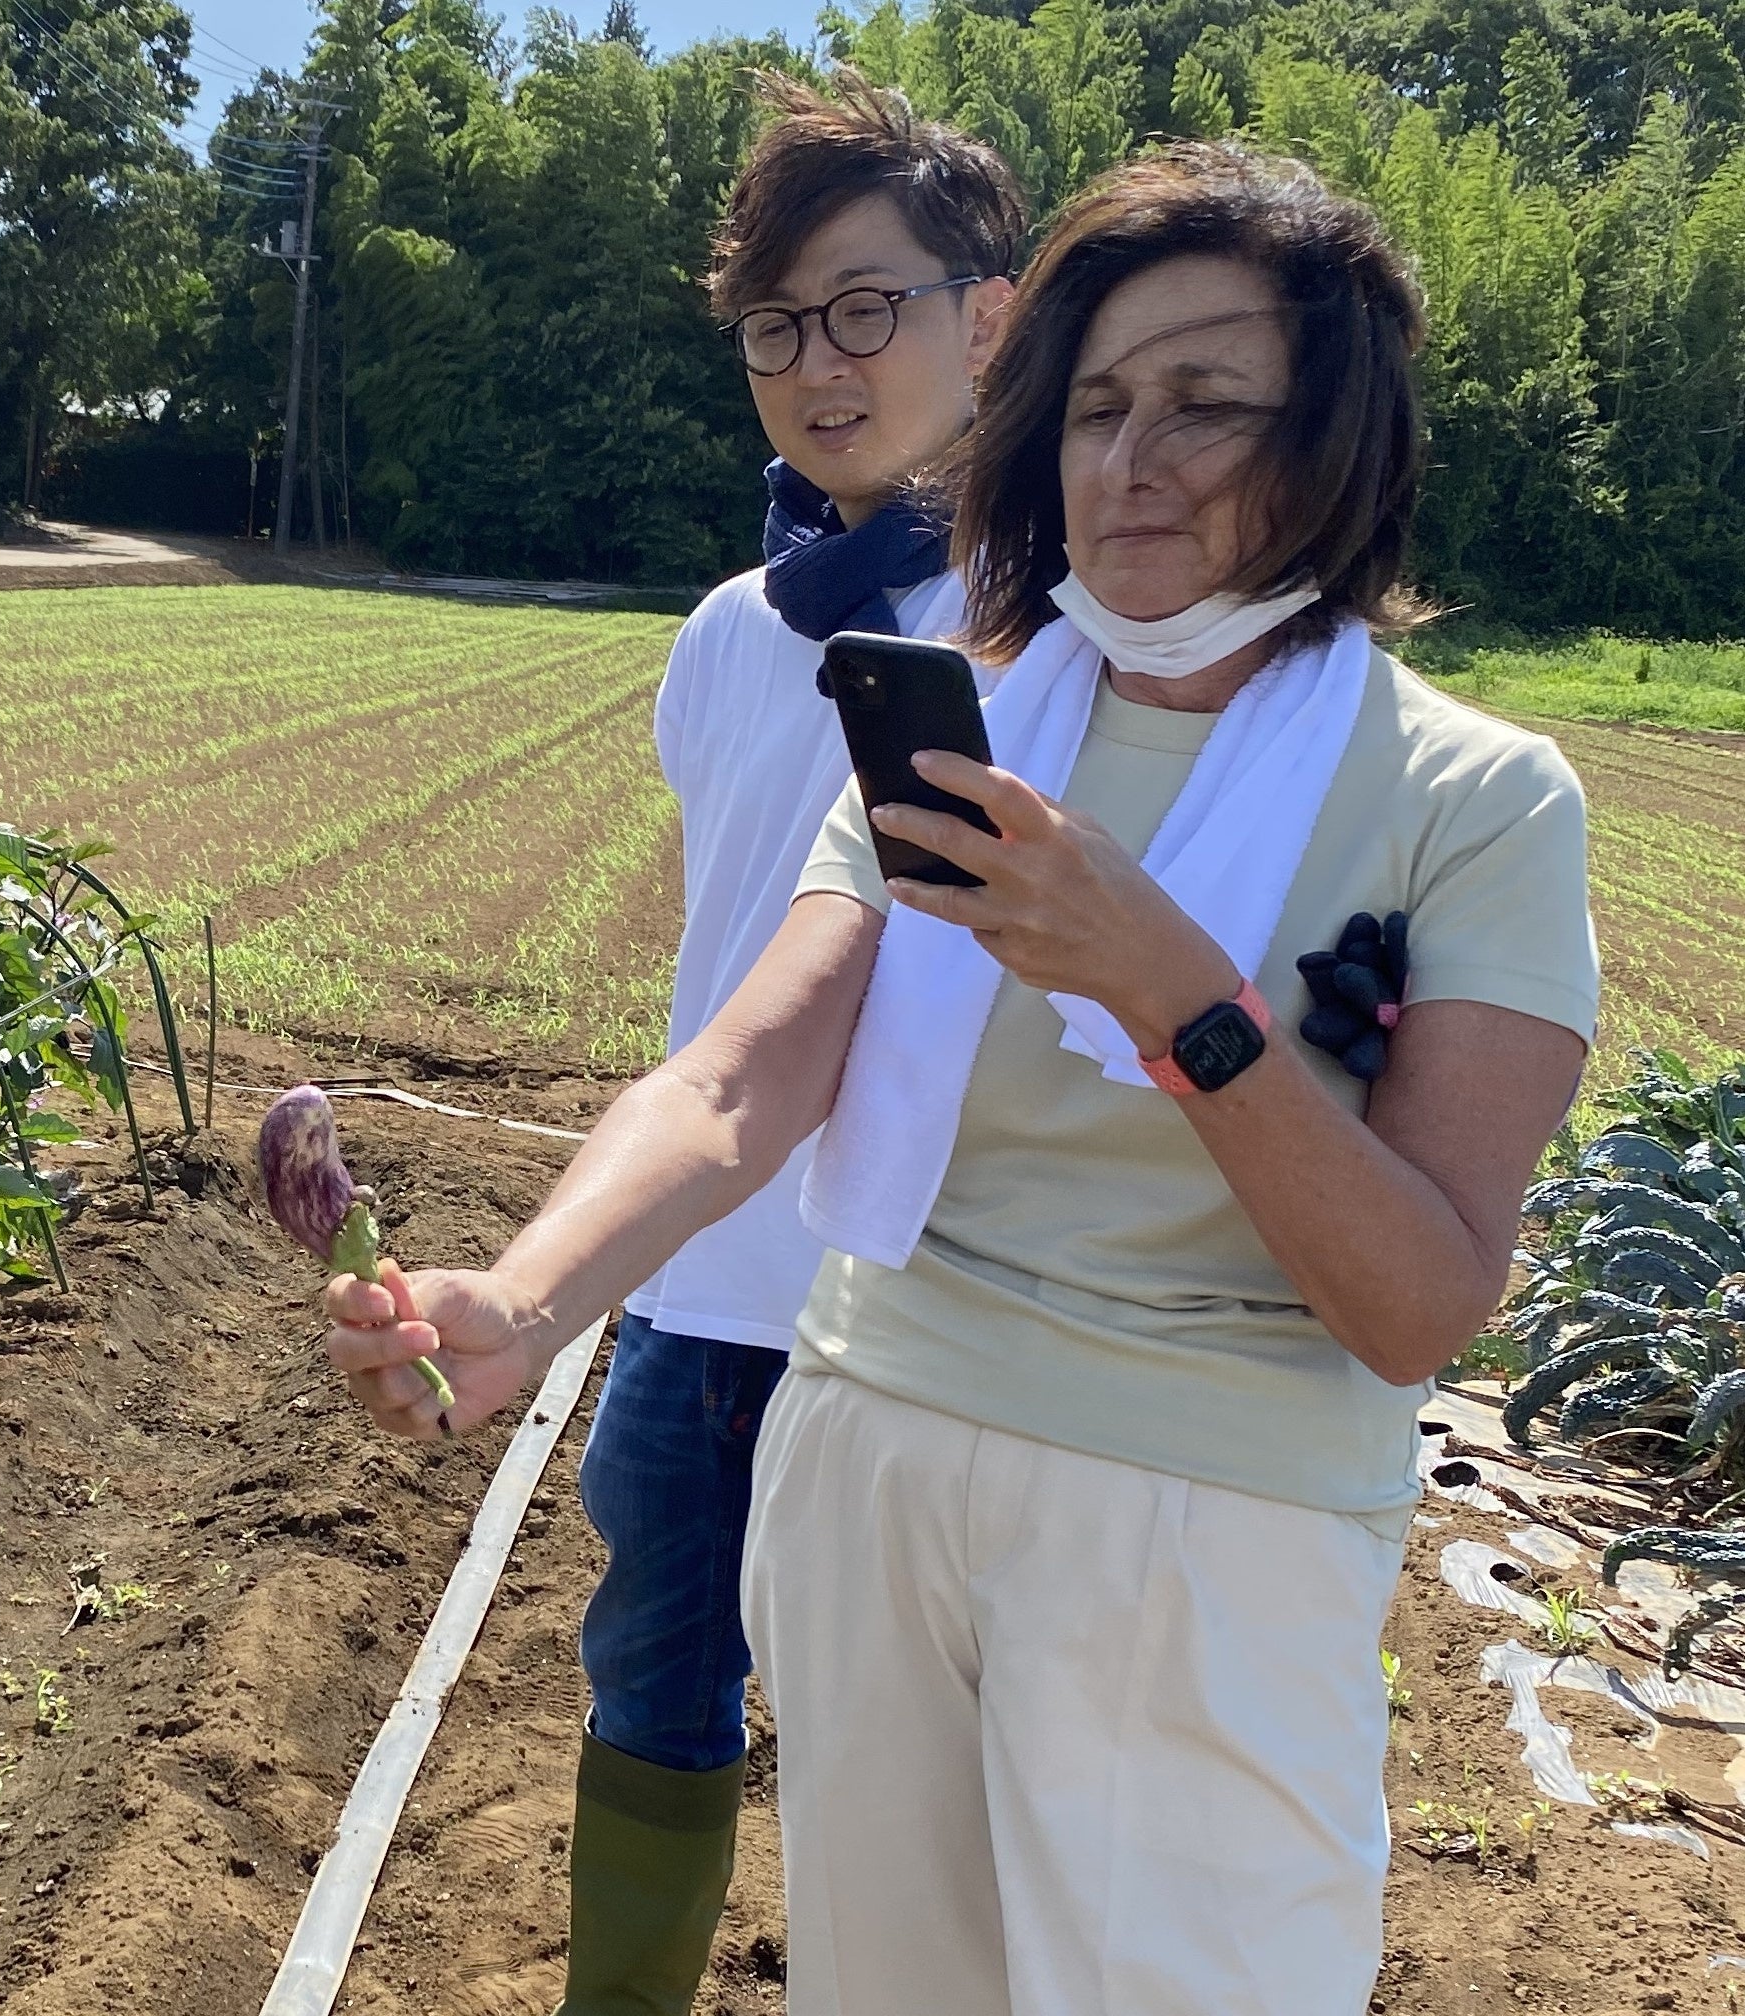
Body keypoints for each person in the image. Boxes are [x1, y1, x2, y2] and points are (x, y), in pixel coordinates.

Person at [328, 146, 1598, 2016]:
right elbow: (742, 1079)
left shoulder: (1476, 802)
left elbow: (1415, 1303)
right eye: (1092, 406)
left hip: (1209, 1533)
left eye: (1205, 406)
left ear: (1343, 441)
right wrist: (521, 1298)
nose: (1129, 459)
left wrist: (1170, 985)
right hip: (878, 1466)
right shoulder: (970, 727)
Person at [559, 74, 1019, 2016]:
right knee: (653, 1693)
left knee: (894, 1756)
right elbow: (731, 957)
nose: (817, 364)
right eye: (775, 326)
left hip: (921, 1317)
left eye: (865, 307)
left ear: (987, 314)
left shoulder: (1046, 629)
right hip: (699, 1295)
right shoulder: (731, 629)